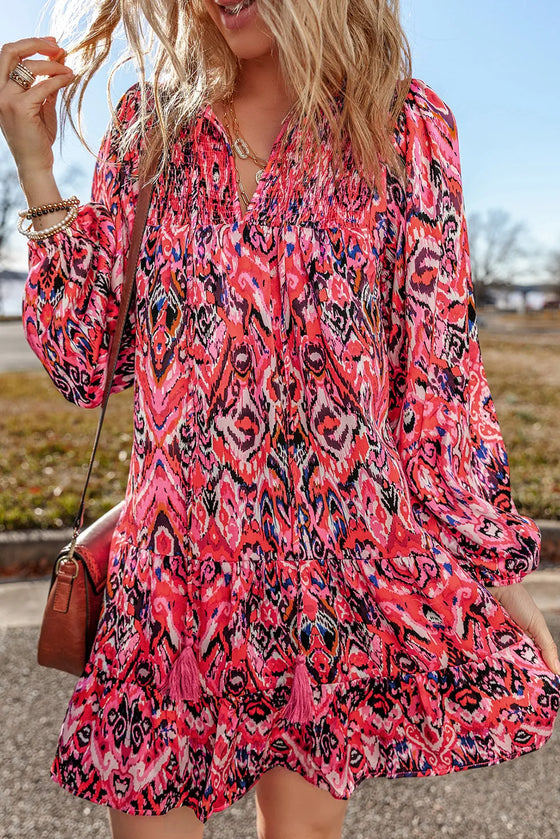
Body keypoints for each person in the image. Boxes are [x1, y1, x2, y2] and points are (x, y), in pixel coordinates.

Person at [1, 1, 559, 837]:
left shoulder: (400, 126)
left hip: (330, 567)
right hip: (176, 568)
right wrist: (37, 169)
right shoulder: (147, 130)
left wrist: (490, 562)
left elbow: (438, 373)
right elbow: (87, 363)